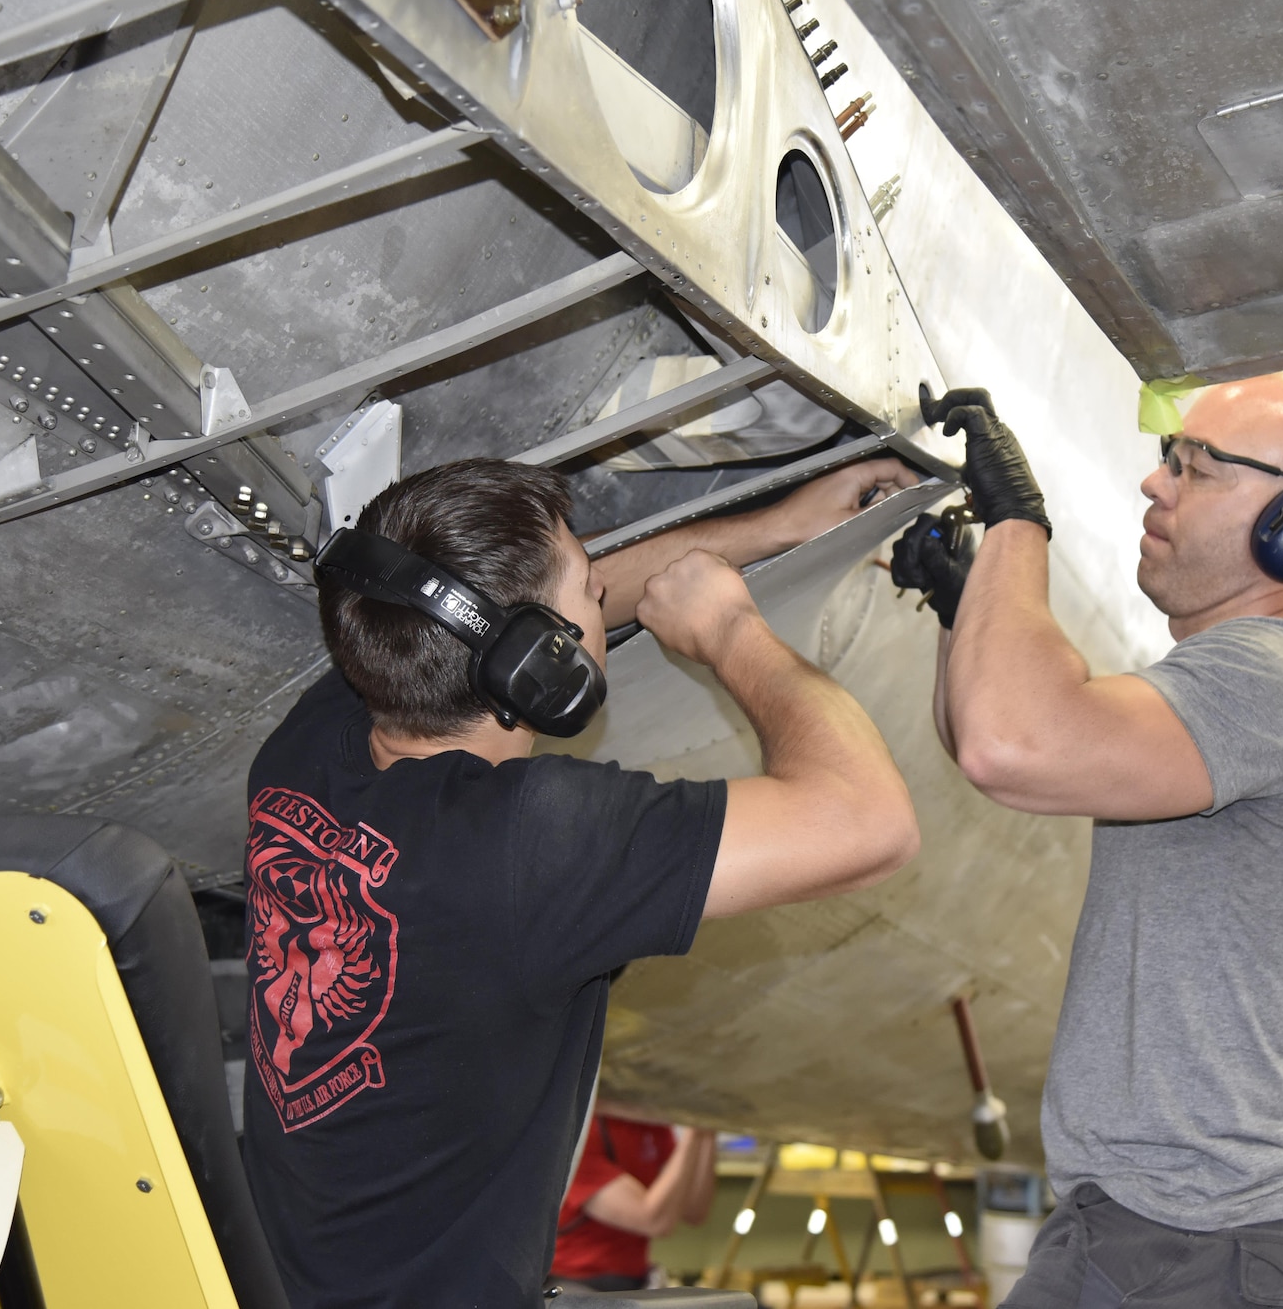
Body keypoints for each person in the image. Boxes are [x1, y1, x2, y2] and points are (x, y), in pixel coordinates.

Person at [242, 455, 923, 1308]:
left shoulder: (317, 742)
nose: (604, 594)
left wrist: (778, 527)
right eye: (587, 593)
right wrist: (729, 629)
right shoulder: (528, 844)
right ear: (539, 665)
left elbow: (493, 609)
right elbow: (868, 822)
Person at [890, 375, 1283, 1308]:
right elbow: (1000, 740)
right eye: (1169, 457)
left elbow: (1013, 745)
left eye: (1196, 468)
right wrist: (968, 613)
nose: (1155, 484)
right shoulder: (1228, 687)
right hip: (1149, 1223)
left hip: (1206, 1242)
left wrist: (1019, 527)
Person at [550, 1109, 717, 1293]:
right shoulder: (582, 1131)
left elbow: (694, 1211)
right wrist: (693, 1129)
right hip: (574, 1279)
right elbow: (654, 1221)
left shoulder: (652, 1125)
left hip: (634, 1280)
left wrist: (707, 1129)